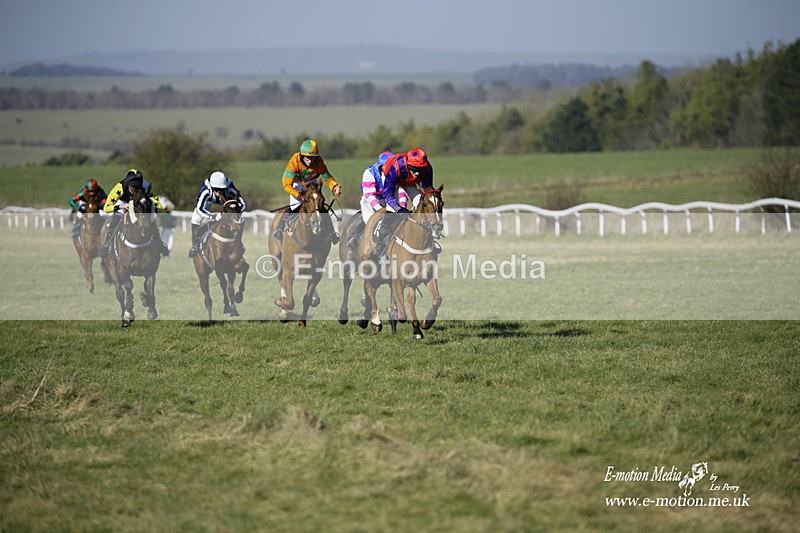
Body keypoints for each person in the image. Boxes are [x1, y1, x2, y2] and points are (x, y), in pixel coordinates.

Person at [272, 139, 342, 245]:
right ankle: (279, 227)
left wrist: (335, 186)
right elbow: (286, 184)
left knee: (320, 206)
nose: (310, 160)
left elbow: (327, 177)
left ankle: (332, 233)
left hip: (311, 182)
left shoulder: (319, 161)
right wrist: (298, 195)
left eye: (313, 158)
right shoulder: (294, 161)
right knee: (294, 206)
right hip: (296, 184)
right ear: (301, 155)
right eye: (307, 157)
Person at [372, 147, 434, 258]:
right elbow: (388, 194)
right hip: (392, 178)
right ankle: (381, 245)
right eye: (414, 168)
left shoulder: (428, 169)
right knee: (391, 210)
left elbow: (427, 191)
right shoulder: (395, 168)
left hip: (409, 181)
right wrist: (398, 208)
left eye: (421, 169)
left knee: (421, 203)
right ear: (408, 165)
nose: (417, 173)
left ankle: (427, 239)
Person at [345, 151, 408, 250]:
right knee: (369, 220)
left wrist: (403, 208)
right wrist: (379, 209)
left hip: (389, 199)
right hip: (370, 201)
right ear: (380, 166)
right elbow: (369, 195)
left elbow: (402, 192)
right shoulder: (369, 172)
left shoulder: (397, 173)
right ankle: (354, 236)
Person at [99, 169, 167, 257]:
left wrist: (152, 208)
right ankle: (106, 244)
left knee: (149, 217)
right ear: (127, 184)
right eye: (133, 188)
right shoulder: (120, 187)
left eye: (138, 187)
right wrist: (121, 206)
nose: (136, 190)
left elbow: (160, 209)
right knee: (118, 216)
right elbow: (106, 208)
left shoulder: (145, 187)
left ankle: (159, 243)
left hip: (138, 203)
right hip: (124, 202)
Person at [188, 171, 247, 257]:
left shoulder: (230, 188)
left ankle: (238, 242)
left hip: (226, 201)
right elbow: (199, 209)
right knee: (196, 218)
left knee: (242, 218)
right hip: (209, 202)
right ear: (211, 187)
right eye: (216, 189)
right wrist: (213, 216)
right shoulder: (205, 191)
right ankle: (195, 245)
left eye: (222, 189)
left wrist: (234, 213)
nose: (219, 192)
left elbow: (243, 204)